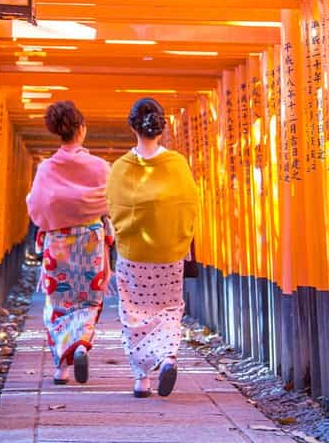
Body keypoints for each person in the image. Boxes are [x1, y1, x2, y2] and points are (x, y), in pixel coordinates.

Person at [106, 97, 199, 398]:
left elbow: (113, 207)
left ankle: (141, 379)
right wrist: (181, 240)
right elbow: (190, 205)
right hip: (169, 253)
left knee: (133, 312)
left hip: (134, 255)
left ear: (132, 126)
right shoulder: (177, 164)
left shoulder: (121, 168)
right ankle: (168, 357)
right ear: (161, 127)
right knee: (169, 309)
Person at [26, 101, 114, 385]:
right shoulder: (100, 167)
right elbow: (112, 201)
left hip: (58, 242)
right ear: (82, 129)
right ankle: (81, 341)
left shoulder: (46, 168)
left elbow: (36, 206)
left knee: (58, 302)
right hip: (91, 241)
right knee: (90, 299)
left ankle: (60, 368)